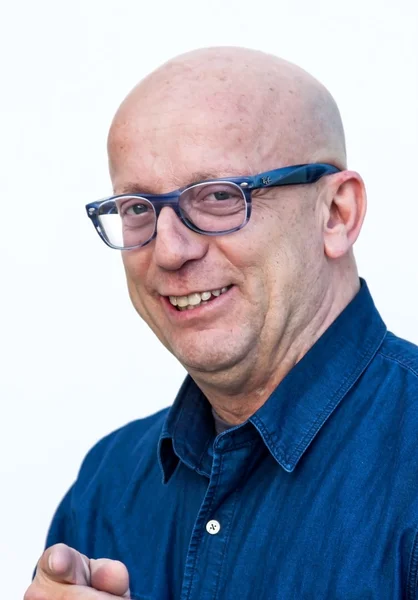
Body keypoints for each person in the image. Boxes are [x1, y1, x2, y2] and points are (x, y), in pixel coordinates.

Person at [24, 46, 418, 600]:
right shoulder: (107, 486)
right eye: (138, 207)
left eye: (216, 197)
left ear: (336, 214)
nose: (169, 251)